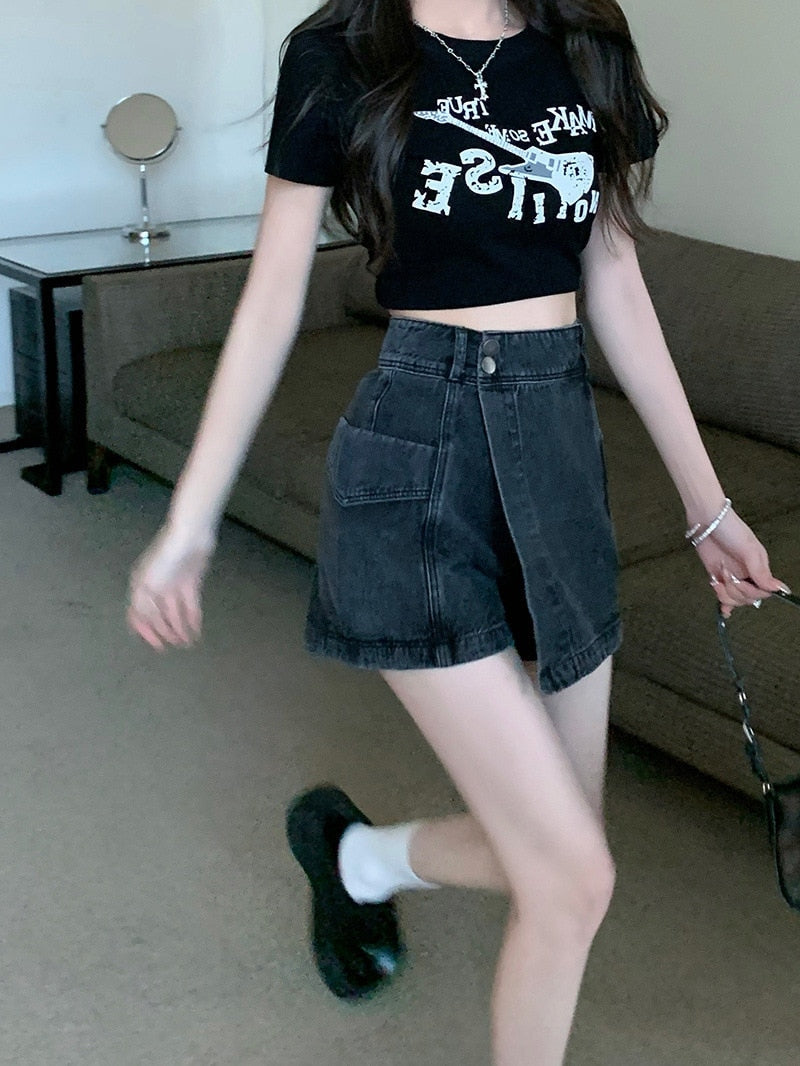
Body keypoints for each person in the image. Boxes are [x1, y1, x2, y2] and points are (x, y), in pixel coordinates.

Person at [126, 2, 791, 1063]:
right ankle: (363, 864)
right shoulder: (341, 53)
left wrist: (705, 506)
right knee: (573, 879)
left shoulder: (584, 43)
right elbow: (272, 295)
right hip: (416, 448)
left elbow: (615, 282)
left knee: (561, 857)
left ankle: (359, 861)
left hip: (557, 450)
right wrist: (191, 519)